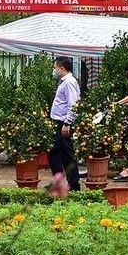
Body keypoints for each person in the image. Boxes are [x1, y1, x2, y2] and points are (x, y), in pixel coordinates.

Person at [48, 56, 82, 191]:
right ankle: (60, 183)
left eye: (55, 67)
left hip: (63, 123)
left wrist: (67, 123)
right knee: (55, 153)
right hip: (59, 121)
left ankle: (73, 185)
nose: (54, 70)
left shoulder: (69, 82)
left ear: (62, 68)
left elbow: (73, 104)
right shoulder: (65, 82)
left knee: (66, 155)